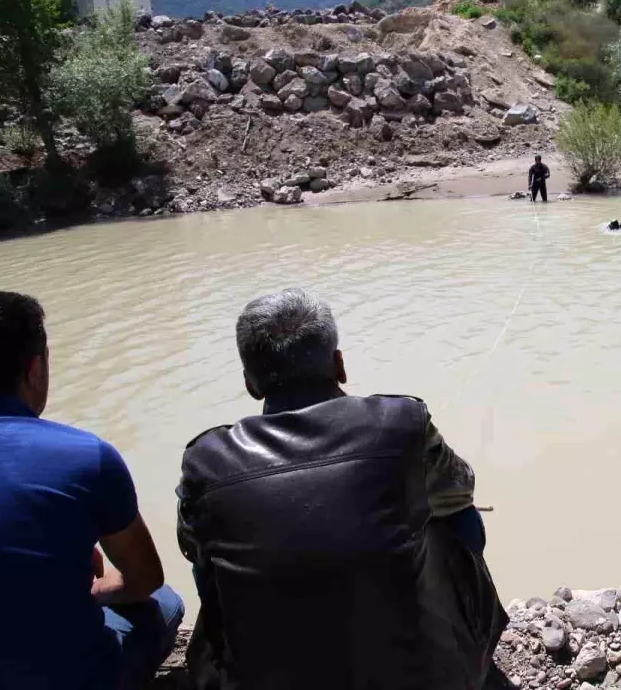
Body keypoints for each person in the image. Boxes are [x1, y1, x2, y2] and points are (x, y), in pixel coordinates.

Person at [177, 288, 506, 690]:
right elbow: (461, 489)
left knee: (214, 558)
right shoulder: (403, 422)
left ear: (250, 383)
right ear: (339, 364)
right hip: (422, 677)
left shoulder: (205, 461)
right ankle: (468, 649)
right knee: (456, 518)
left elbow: (193, 548)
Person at [0, 290, 183, 690]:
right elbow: (144, 577)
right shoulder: (84, 455)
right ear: (34, 369)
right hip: (68, 677)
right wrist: (92, 586)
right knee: (165, 602)